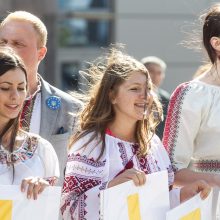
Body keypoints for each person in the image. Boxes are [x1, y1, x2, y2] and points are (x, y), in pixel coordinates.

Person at [60, 47, 211, 220]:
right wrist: (111, 188)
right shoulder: (91, 144)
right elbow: (68, 210)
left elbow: (157, 204)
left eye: (148, 88)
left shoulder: (153, 143)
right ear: (112, 96)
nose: (145, 96)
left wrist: (183, 195)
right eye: (135, 89)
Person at [0, 11, 82, 185]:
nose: (7, 49)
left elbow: (76, 179)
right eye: (3, 42)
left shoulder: (70, 109)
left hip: (41, 208)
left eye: (17, 43)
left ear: (41, 53)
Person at [163, 4, 220, 218]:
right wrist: (215, 180)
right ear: (217, 43)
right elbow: (170, 171)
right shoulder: (193, 94)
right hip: (211, 204)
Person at [0, 47, 59, 200]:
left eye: (21, 88)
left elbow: (50, 209)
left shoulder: (41, 149)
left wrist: (43, 188)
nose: (15, 96)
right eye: (5, 88)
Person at [141, 56, 170, 139]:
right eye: (151, 71)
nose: (155, 76)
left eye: (159, 73)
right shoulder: (133, 95)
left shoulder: (166, 99)